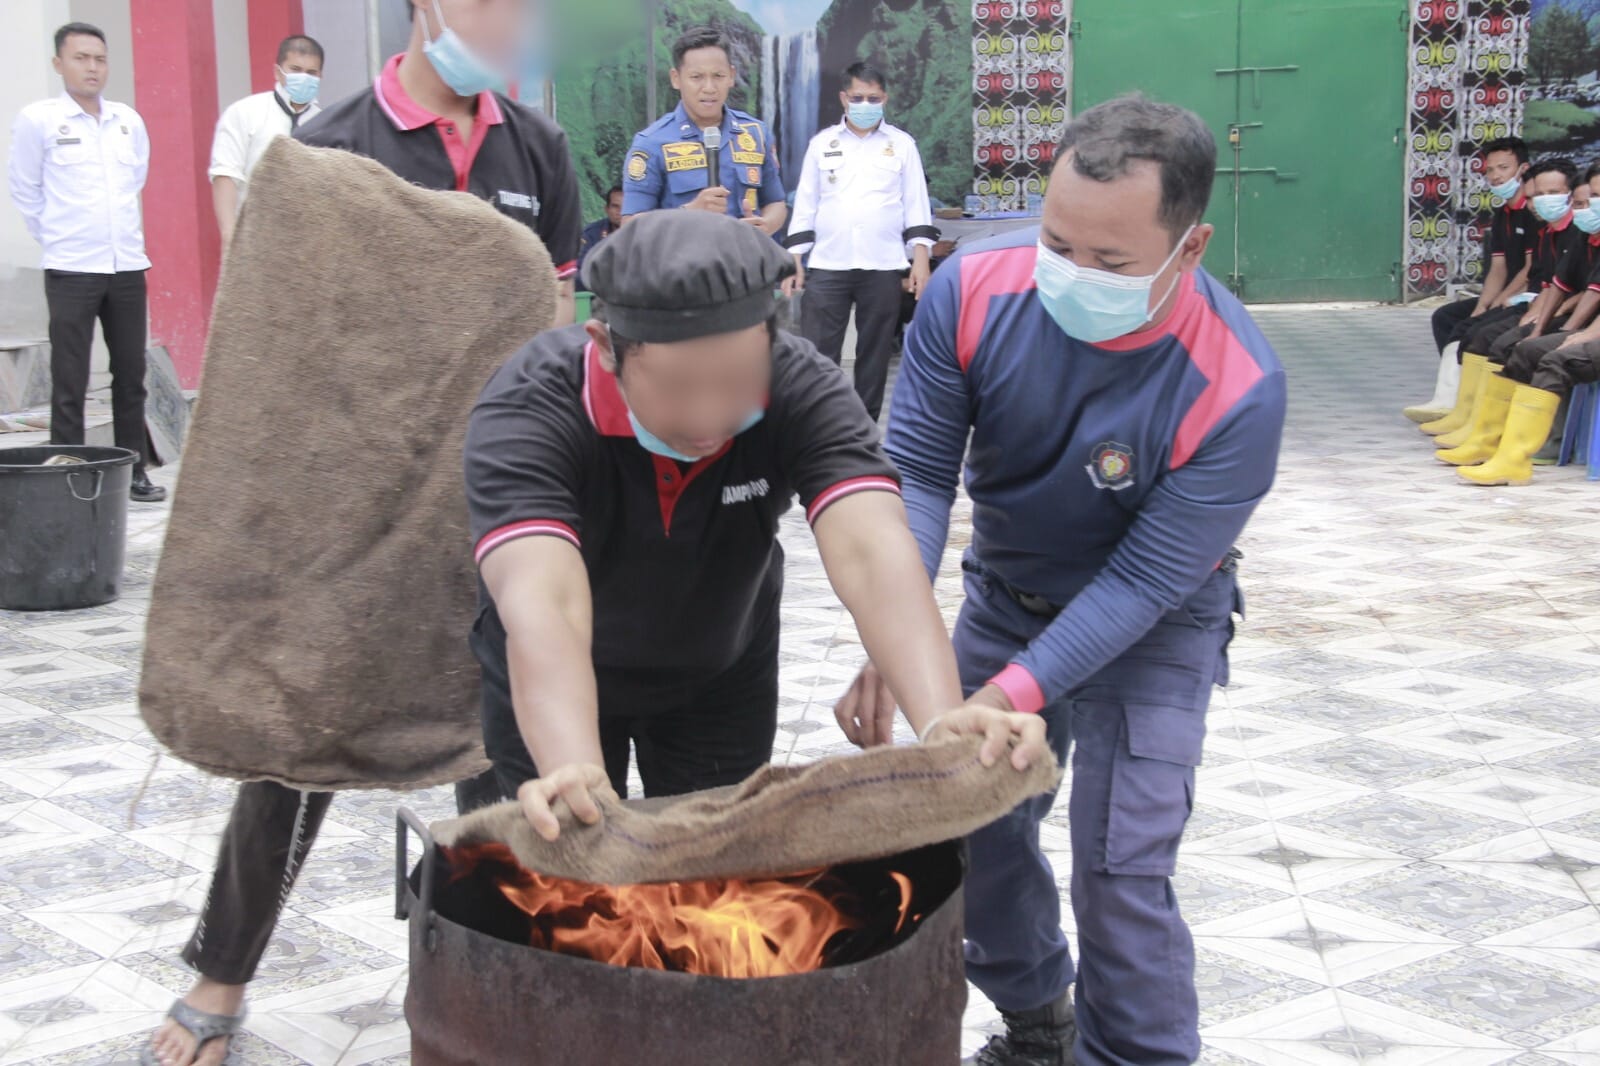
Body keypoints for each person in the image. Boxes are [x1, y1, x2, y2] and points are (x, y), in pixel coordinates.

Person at [144, 2, 581, 1063]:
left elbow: (554, 324)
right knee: (303, 733)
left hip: (496, 498)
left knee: (501, 737)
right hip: (359, 503)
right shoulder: (330, 146)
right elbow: (284, 347)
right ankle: (222, 971)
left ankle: (503, 990)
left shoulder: (538, 151)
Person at [849, 94, 1286, 1065]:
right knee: (978, 825)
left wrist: (1004, 695)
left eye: (1111, 262)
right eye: (1058, 243)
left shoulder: (1237, 387)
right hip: (1008, 594)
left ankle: (1134, 1053)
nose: (1072, 276)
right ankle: (1037, 1018)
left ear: (1191, 244)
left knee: (1119, 863)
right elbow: (915, 470)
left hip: (1155, 626)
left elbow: (1138, 587)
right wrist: (901, 626)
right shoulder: (971, 293)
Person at [462, 209, 1049, 838]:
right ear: (605, 346)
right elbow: (545, 600)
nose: (711, 416)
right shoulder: (532, 402)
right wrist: (570, 765)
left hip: (717, 671)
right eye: (682, 387)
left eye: (739, 380)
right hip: (549, 670)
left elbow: (872, 552)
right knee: (556, 882)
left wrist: (942, 722)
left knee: (713, 887)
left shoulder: (802, 386)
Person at [7, 21, 164, 503]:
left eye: (99, 58)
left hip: (126, 266)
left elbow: (135, 176)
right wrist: (59, 236)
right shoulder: (40, 120)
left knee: (130, 373)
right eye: (81, 58)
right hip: (72, 266)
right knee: (70, 377)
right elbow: (24, 189)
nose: (92, 67)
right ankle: (69, 475)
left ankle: (133, 471)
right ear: (59, 64)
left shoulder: (126, 121)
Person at [785, 61, 938, 421]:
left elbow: (917, 204)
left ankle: (864, 430)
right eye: (858, 97)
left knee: (875, 353)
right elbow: (806, 203)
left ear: (884, 98)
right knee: (819, 353)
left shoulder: (902, 146)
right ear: (843, 98)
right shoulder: (822, 144)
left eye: (873, 98)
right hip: (828, 263)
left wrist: (920, 260)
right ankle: (819, 425)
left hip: (882, 264)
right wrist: (794, 258)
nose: (865, 104)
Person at [1443, 163, 1600, 482]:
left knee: (1557, 359)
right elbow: (1562, 284)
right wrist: (1543, 328)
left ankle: (1531, 450)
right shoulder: (1586, 236)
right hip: (1587, 327)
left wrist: (1577, 332)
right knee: (1525, 347)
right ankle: (1490, 442)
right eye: (1593, 195)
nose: (1593, 204)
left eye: (1595, 197)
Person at [1405, 136, 1531, 422]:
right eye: (1490, 170)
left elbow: (1529, 271)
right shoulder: (1503, 213)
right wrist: (1483, 304)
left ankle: (1464, 405)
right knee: (1447, 317)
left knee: (1475, 328)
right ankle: (1455, 395)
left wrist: (1500, 302)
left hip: (1525, 296)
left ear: (1523, 168)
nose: (1496, 175)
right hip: (1505, 293)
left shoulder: (1531, 211)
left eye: (1503, 167)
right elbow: (1497, 267)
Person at [620, 26, 786, 236]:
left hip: (744, 263)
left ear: (731, 76)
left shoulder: (754, 133)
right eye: (696, 77)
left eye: (718, 75)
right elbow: (630, 228)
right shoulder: (651, 143)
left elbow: (776, 202)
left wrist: (766, 225)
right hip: (681, 266)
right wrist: (689, 213)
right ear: (676, 78)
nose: (709, 87)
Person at [209, 35, 325, 251]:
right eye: (295, 69)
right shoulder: (244, 113)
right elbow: (225, 174)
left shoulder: (328, 123)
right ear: (277, 71)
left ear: (321, 76)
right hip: (253, 239)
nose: (304, 77)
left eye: (311, 73)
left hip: (310, 246)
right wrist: (229, 235)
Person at [576, 184, 622, 292]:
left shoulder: (641, 232)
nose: (620, 211)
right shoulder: (592, 233)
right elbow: (581, 268)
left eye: (625, 206)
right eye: (615, 206)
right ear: (606, 209)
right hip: (598, 293)